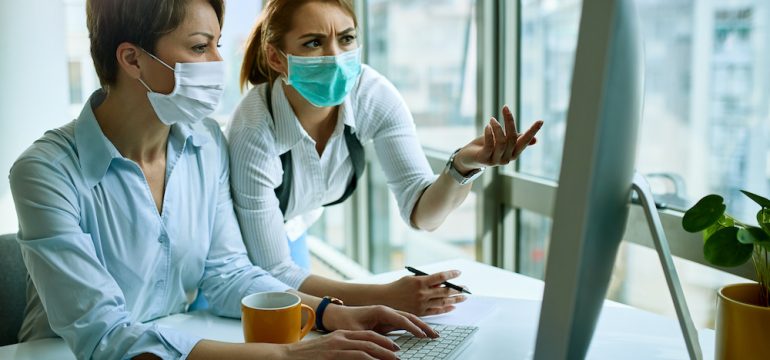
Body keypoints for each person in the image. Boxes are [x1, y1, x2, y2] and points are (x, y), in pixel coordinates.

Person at [9, 0, 437, 359]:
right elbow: (105, 335)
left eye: (216, 44)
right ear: (132, 59)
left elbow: (230, 274)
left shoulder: (206, 142)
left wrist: (333, 313)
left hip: (180, 341)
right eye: (199, 48)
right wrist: (285, 355)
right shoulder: (45, 173)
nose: (218, 62)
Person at [228, 0, 543, 317]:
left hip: (290, 228)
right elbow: (273, 273)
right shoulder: (254, 128)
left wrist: (462, 166)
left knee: (307, 322)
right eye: (313, 42)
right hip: (230, 252)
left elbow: (422, 214)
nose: (336, 56)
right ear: (276, 57)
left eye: (347, 38)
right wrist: (386, 296)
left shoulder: (371, 94)